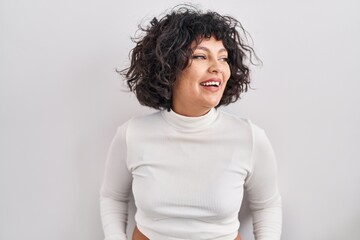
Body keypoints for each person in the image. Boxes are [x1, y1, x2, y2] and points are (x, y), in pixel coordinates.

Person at [100, 4, 282, 240]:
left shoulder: (249, 137)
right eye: (200, 56)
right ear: (169, 66)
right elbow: (112, 196)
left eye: (223, 58)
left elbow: (267, 205)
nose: (217, 68)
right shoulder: (132, 134)